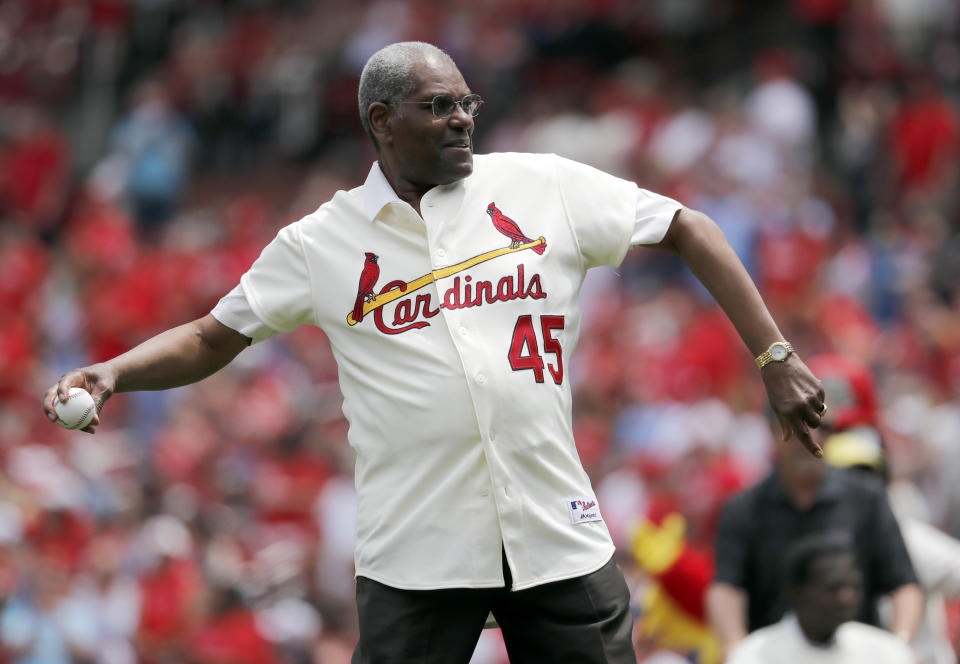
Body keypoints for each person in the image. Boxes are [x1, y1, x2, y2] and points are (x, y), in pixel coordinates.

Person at [44, 41, 827, 663]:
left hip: (554, 526)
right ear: (382, 122)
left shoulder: (540, 186)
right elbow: (212, 336)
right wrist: (114, 372)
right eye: (437, 106)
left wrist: (774, 355)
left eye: (466, 103)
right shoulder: (322, 241)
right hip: (417, 550)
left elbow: (688, 224)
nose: (461, 119)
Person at [706, 397, 923, 658]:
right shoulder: (744, 510)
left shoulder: (866, 499)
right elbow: (727, 586)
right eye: (795, 427)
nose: (808, 437)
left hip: (852, 654)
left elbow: (903, 584)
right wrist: (737, 649)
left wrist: (898, 648)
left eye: (818, 425)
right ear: (773, 432)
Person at [812, 352, 960, 664]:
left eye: (862, 474)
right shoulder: (782, 518)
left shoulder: (901, 518)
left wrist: (901, 649)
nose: (855, 486)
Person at [725, 533, 914, 664]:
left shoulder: (883, 652)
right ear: (796, 592)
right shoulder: (755, 655)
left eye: (853, 586)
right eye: (833, 588)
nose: (846, 597)